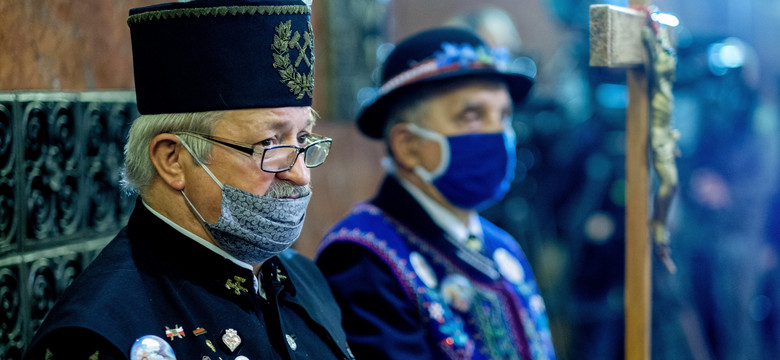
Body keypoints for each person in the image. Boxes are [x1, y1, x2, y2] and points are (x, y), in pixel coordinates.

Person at [24, 1, 354, 359]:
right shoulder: (100, 335)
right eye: (268, 144)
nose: (300, 173)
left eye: (303, 139)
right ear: (173, 160)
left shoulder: (305, 279)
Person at [316, 27, 556, 359]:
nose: (498, 134)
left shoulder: (502, 247)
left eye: (504, 116)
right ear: (407, 145)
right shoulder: (364, 255)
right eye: (472, 116)